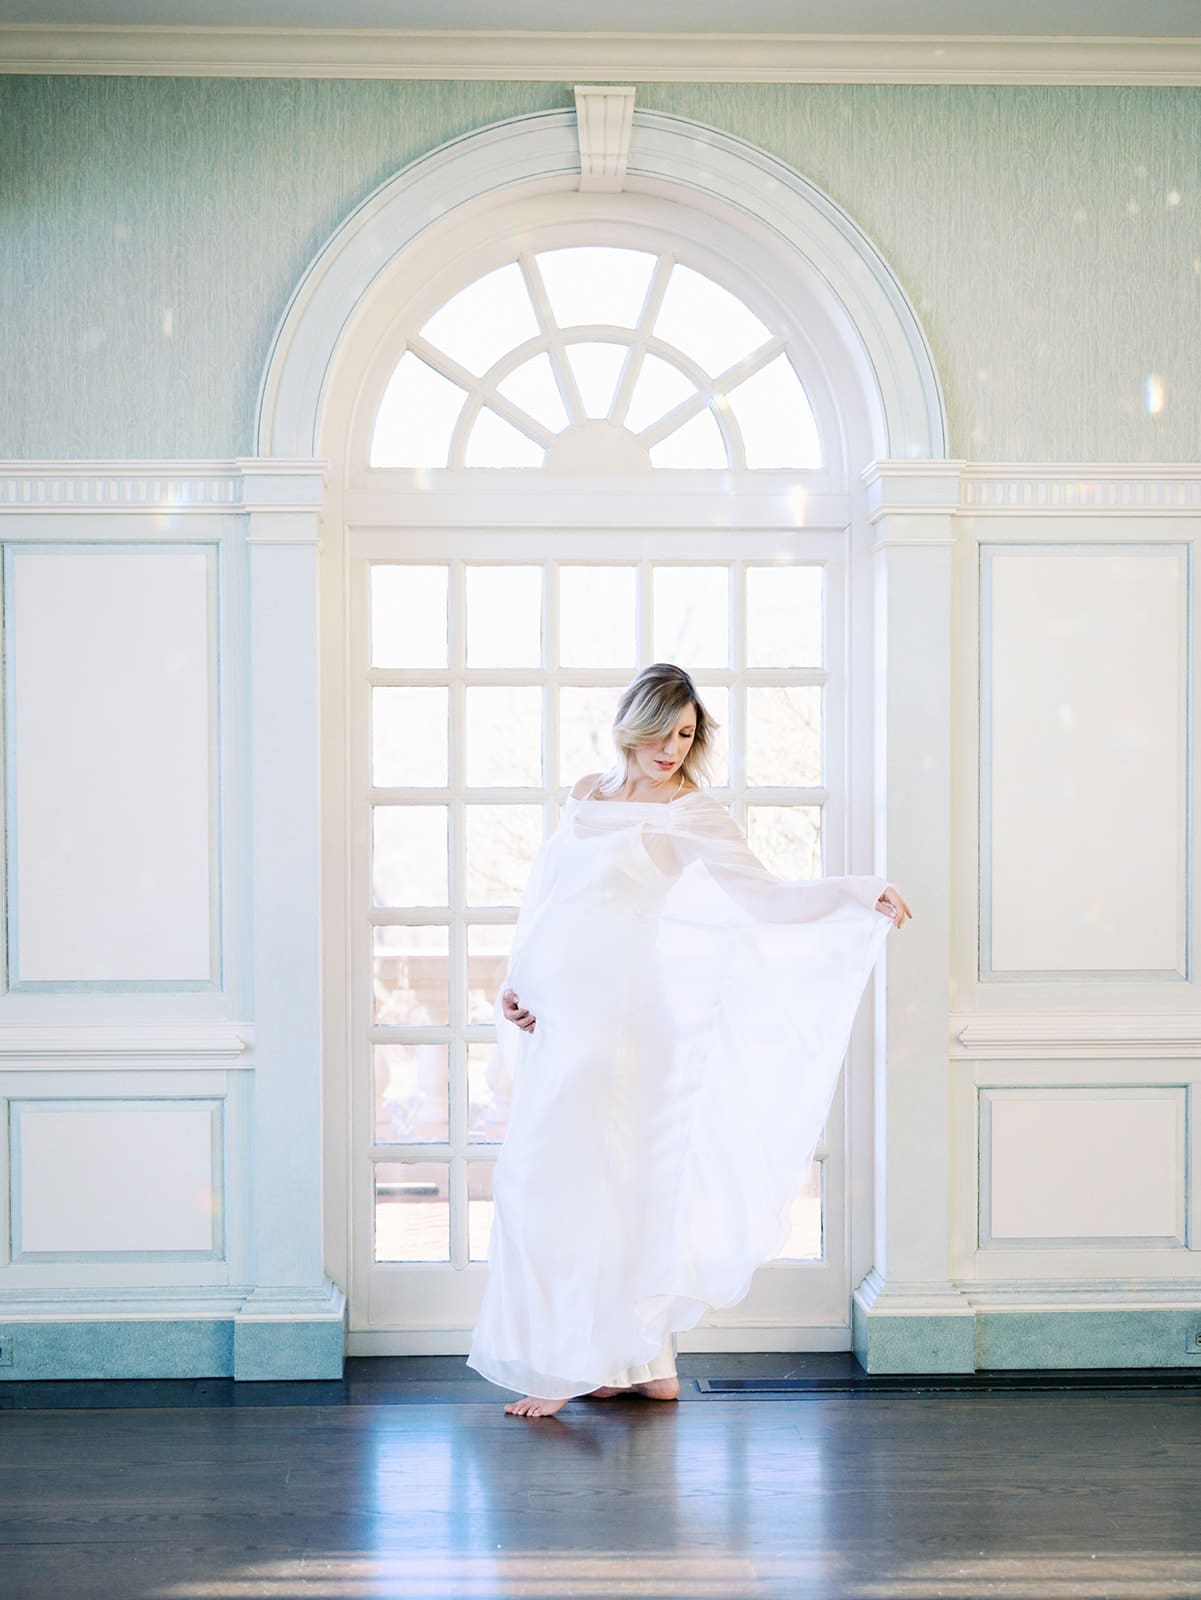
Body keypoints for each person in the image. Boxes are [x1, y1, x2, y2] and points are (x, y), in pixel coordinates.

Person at [466, 663, 911, 1418]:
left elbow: (765, 897)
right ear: (630, 725)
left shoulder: (688, 812)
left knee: (582, 1186)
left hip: (625, 1026)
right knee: (580, 1185)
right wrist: (518, 983)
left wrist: (851, 889)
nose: (672, 748)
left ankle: (574, 1364)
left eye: (685, 734)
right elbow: (550, 900)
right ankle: (640, 1363)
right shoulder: (587, 793)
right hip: (560, 1020)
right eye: (662, 731)